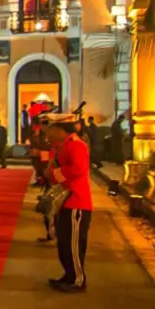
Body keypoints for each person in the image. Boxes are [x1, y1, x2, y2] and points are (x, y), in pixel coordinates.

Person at [44, 114, 93, 292]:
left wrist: (54, 174)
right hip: (67, 201)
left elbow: (77, 170)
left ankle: (77, 280)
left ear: (60, 129)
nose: (48, 132)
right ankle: (69, 275)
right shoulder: (65, 145)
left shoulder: (76, 145)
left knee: (73, 244)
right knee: (64, 243)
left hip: (76, 201)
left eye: (51, 128)